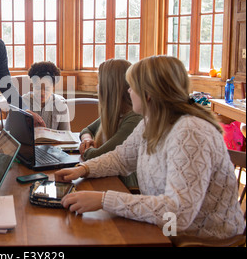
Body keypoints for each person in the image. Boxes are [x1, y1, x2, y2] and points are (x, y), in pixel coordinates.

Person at [55, 56, 245, 239]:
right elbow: (121, 159)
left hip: (199, 239)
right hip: (165, 228)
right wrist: (83, 169)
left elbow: (178, 213)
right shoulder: (151, 121)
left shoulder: (190, 132)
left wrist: (103, 200)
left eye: (132, 87)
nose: (128, 91)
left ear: (149, 93)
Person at [79, 59, 142, 190]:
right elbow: (86, 129)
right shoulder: (114, 114)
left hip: (126, 187)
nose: (97, 86)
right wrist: (87, 139)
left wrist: (87, 150)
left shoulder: (133, 119)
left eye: (98, 82)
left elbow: (96, 156)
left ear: (108, 86)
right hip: (109, 178)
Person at [21, 61, 69, 130]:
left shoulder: (61, 105)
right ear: (32, 86)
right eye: (38, 88)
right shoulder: (22, 102)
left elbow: (66, 135)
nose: (42, 93)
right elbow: (10, 132)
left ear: (53, 87)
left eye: (47, 89)